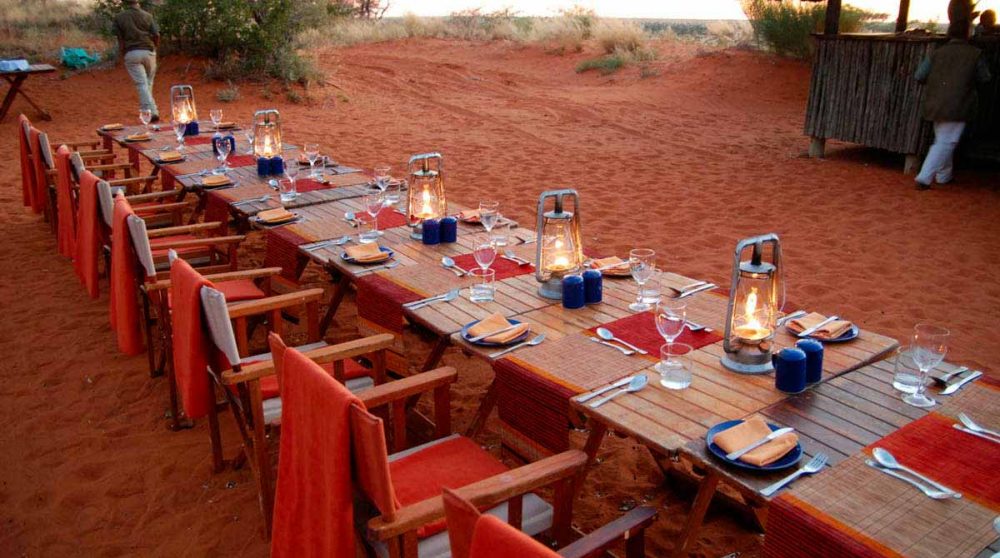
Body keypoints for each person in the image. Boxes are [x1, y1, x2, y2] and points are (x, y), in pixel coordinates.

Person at [913, 20, 992, 189]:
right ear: (968, 33)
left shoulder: (937, 53)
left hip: (935, 102)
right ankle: (924, 177)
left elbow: (919, 75)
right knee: (947, 141)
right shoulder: (975, 54)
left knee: (943, 138)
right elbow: (985, 78)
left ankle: (944, 176)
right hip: (959, 103)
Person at [113, 0, 160, 121]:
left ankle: (149, 112)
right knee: (148, 83)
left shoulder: (119, 17)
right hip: (148, 51)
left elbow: (120, 39)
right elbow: (156, 35)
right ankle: (151, 110)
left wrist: (122, 53)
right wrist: (155, 48)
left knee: (141, 84)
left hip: (132, 52)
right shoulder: (148, 15)